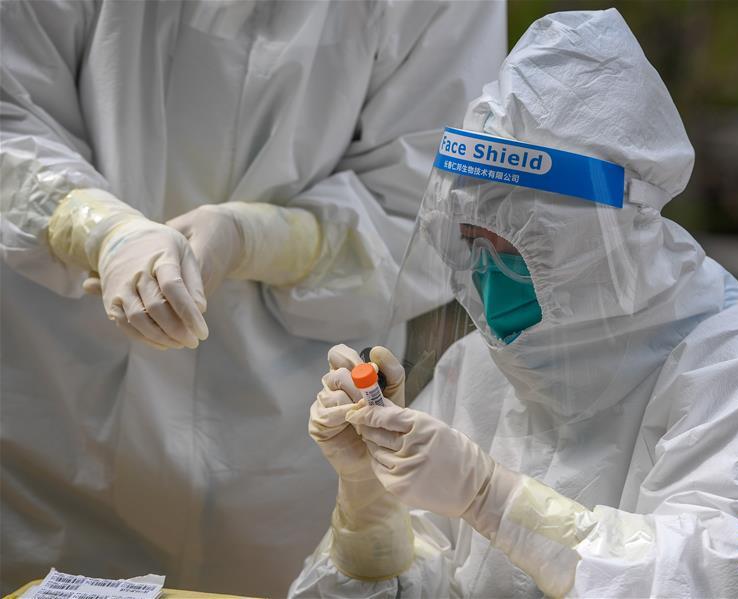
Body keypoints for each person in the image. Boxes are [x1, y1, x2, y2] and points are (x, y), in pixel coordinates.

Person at [292, 10, 738, 598]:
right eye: (473, 242)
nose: (488, 277)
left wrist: (495, 501)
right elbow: (422, 573)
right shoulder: (479, 370)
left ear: (605, 239)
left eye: (514, 247)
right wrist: (370, 506)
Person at [0, 1, 505, 595]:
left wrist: (258, 239)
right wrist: (97, 231)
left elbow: (431, 196)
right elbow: (11, 112)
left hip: (281, 440)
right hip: (61, 405)